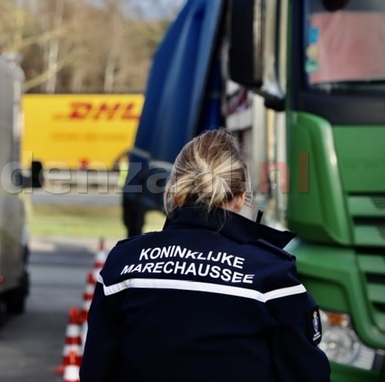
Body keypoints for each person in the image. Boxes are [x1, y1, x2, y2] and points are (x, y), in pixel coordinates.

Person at [80, 128, 330, 382]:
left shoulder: (124, 263)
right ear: (241, 198)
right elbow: (307, 374)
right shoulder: (271, 274)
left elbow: (96, 371)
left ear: (175, 193)